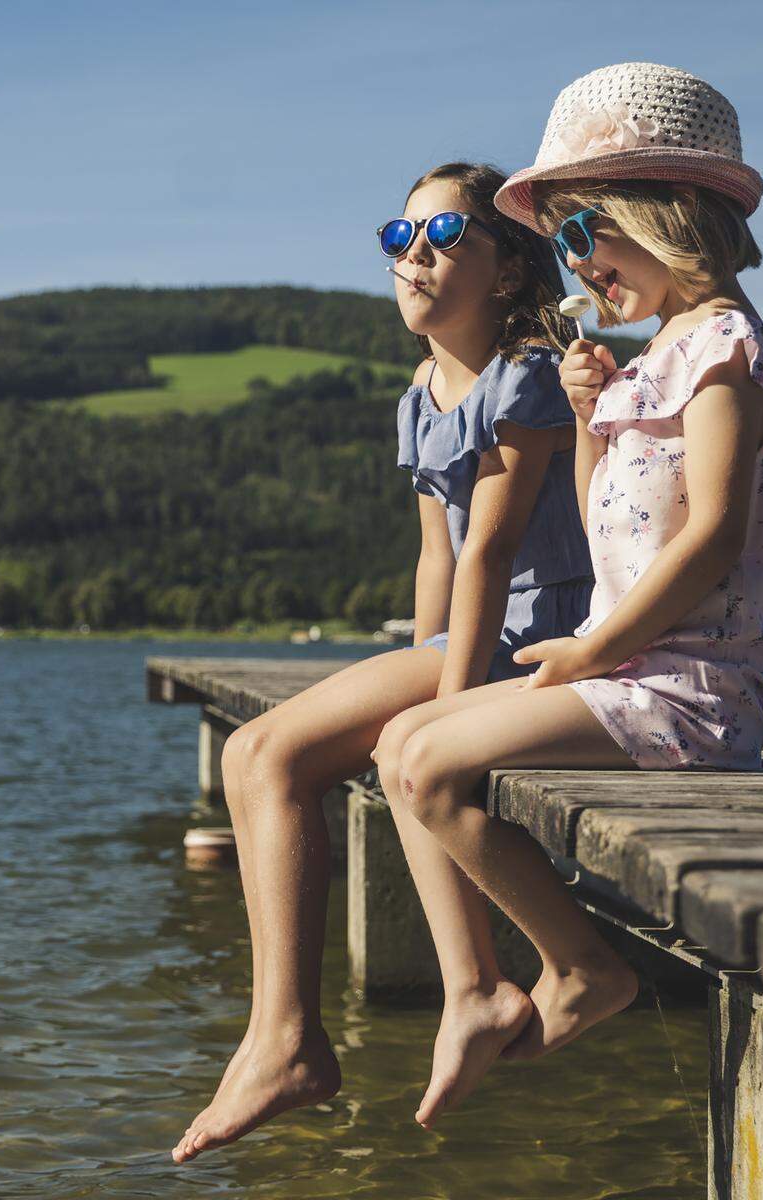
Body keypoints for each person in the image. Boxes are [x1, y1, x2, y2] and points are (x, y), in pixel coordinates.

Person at [371, 62, 763, 1131]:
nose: (572, 266)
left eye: (585, 236)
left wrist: (588, 646)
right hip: (634, 666)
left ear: (662, 219)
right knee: (407, 741)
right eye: (563, 241)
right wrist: (588, 419)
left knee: (428, 755)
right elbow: (615, 522)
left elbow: (708, 536)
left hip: (691, 687)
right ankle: (509, 981)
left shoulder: (728, 350)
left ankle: (578, 967)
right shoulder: (659, 355)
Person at [171, 161, 589, 1164]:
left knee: (270, 757)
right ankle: (446, 995)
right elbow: (436, 556)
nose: (415, 258)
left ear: (506, 267)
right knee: (253, 757)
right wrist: (421, 666)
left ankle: (297, 1041)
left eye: (445, 237)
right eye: (398, 240)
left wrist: (444, 710)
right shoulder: (419, 391)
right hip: (468, 636)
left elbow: (492, 548)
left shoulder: (526, 375)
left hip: (542, 632)